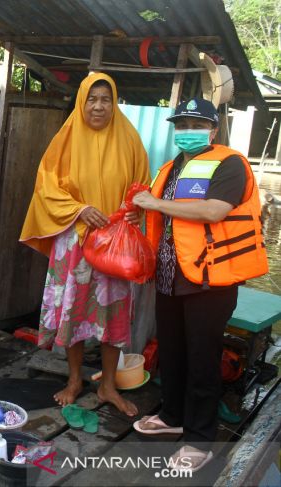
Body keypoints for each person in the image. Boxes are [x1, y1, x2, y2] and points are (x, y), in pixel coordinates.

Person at [131, 98, 268, 472]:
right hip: (170, 276)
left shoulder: (229, 163)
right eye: (181, 124)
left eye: (195, 124)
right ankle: (172, 416)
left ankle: (200, 439)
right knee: (171, 352)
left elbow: (213, 210)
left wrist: (155, 204)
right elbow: (166, 212)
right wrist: (141, 207)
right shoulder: (174, 165)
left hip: (210, 281)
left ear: (213, 128)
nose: (187, 131)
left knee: (202, 359)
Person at [20, 73, 150, 416]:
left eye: (106, 98)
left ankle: (107, 385)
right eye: (92, 99)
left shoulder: (129, 138)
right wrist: (79, 209)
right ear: (81, 101)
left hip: (116, 244)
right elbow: (46, 186)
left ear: (114, 101)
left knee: (113, 315)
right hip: (76, 239)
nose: (99, 105)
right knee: (74, 312)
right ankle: (75, 379)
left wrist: (135, 213)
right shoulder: (66, 138)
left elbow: (142, 188)